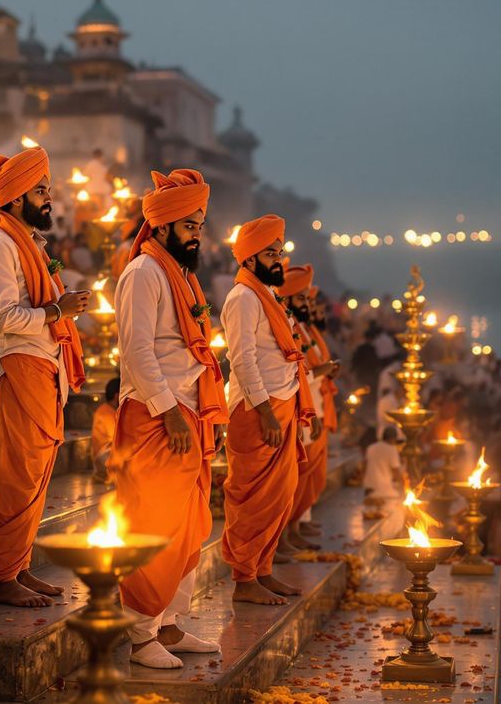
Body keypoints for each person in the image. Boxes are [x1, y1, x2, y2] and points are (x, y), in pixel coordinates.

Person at [111, 168, 227, 668]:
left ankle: (170, 625)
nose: (198, 233)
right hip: (156, 415)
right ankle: (140, 636)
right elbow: (136, 350)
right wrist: (169, 411)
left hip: (191, 412)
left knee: (191, 525)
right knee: (152, 522)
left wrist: (203, 413)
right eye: (189, 225)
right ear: (161, 227)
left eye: (200, 224)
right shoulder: (143, 273)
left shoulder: (183, 275)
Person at [0, 147, 91, 608]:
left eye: (48, 189)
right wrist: (58, 310)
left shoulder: (30, 244)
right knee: (13, 474)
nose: (49, 198)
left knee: (34, 472)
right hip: (12, 366)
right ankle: (0, 577)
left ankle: (16, 566)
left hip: (41, 366)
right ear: (15, 198)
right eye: (41, 191)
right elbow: (4, 316)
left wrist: (61, 307)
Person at [221, 214, 318, 606]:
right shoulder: (242, 298)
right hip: (255, 409)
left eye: (280, 252)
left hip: (283, 403)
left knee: (281, 494)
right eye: (270, 253)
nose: (278, 260)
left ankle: (262, 570)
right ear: (249, 259)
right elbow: (241, 361)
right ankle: (244, 579)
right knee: (253, 498)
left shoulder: (267, 294)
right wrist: (264, 412)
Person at [281, 265, 340, 555]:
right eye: (302, 299)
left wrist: (324, 370)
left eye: (308, 299)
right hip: (301, 407)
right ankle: (286, 531)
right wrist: (322, 370)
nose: (308, 305)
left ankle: (294, 528)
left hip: (314, 404)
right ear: (288, 298)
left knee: (310, 476)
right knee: (298, 475)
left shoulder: (302, 327)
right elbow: (296, 372)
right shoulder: (288, 326)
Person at [90, 377, 119, 483]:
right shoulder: (106, 412)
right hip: (104, 455)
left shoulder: (109, 410)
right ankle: (105, 474)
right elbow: (117, 438)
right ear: (117, 396)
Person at [363, 425, 403, 501]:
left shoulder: (371, 447)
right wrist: (403, 486)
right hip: (382, 491)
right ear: (393, 439)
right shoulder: (392, 449)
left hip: (367, 489)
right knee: (399, 498)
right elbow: (396, 471)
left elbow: (364, 466)